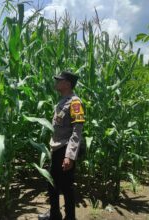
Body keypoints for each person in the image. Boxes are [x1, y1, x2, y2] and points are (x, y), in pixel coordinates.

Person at [39, 71, 85, 220]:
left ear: (67, 84)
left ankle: (69, 217)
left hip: (65, 150)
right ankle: (55, 215)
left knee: (66, 187)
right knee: (52, 185)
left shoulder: (75, 102)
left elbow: (77, 131)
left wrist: (69, 156)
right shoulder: (63, 100)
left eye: (59, 80)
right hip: (57, 148)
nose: (56, 82)